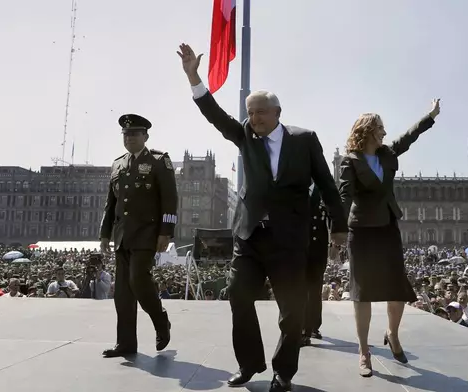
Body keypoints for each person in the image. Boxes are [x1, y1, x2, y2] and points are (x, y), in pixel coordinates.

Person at [177, 43, 347, 392]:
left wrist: (339, 227)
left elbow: (327, 184)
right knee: (238, 294)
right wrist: (195, 78)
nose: (252, 119)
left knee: (291, 309)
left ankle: (283, 372)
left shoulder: (304, 140)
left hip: (289, 237)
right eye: (249, 113)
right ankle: (249, 363)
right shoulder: (244, 136)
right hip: (250, 233)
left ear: (277, 112)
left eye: (259, 113)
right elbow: (215, 115)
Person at [338, 100, 440, 377]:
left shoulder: (386, 154)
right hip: (361, 230)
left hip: (387, 226)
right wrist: (337, 228)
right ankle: (363, 351)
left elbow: (409, 137)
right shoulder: (350, 160)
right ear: (368, 130)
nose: (384, 132)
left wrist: (429, 116)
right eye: (380, 128)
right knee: (362, 293)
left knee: (397, 287)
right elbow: (345, 195)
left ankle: (392, 334)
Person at [99, 113, 178, 358]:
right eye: (126, 134)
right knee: (122, 292)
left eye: (135, 134)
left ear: (145, 136)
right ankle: (125, 343)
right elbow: (110, 204)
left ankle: (160, 320)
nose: (130, 138)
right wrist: (104, 234)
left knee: (138, 280)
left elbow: (170, 199)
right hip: (122, 235)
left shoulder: (158, 161)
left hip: (147, 233)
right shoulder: (118, 164)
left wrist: (166, 232)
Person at [302, 183, 331, 346]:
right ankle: (301, 326)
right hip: (299, 246)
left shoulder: (323, 189)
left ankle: (313, 326)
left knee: (315, 290)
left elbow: (333, 214)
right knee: (299, 289)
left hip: (318, 248)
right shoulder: (296, 185)